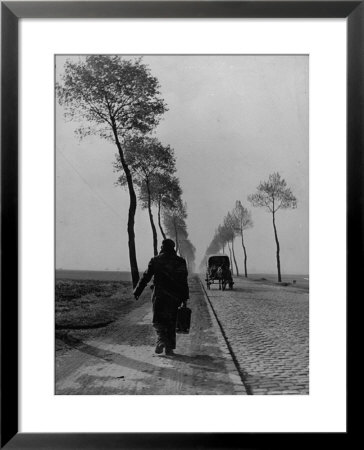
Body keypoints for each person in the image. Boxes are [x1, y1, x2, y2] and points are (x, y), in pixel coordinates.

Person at [133, 238, 189, 356]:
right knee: (171, 322)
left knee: (158, 320)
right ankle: (169, 349)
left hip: (160, 296)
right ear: (173, 248)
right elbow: (184, 281)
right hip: (175, 297)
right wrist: (185, 298)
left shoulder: (156, 260)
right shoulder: (181, 261)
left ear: (163, 247)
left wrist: (137, 291)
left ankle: (161, 340)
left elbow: (146, 277)